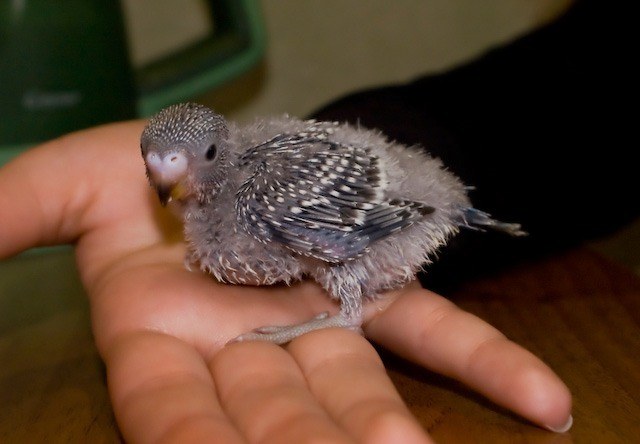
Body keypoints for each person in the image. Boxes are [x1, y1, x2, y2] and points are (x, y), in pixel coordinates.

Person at [4, 0, 633, 441]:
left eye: (197, 161)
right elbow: (572, 84)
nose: (171, 182)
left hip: (403, 210)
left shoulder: (265, 201)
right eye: (159, 171)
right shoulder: (226, 200)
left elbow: (381, 210)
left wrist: (329, 314)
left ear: (223, 151)